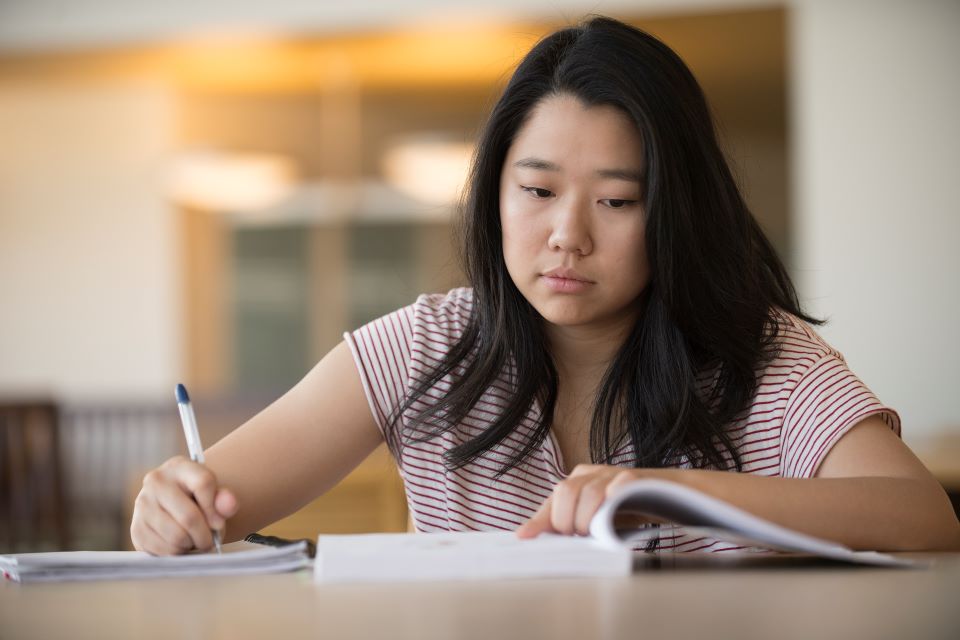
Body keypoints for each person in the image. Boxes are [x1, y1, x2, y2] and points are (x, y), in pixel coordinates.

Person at [130, 16, 960, 555]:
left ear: (676, 212)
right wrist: (168, 507)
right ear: (493, 195)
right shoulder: (427, 346)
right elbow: (213, 504)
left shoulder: (763, 355)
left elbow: (925, 520)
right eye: (536, 191)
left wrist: (670, 490)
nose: (568, 233)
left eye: (616, 200)